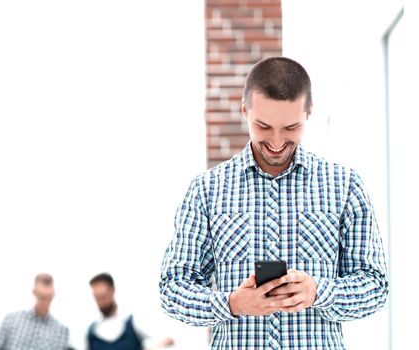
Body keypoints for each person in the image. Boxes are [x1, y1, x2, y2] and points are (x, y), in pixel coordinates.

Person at [159, 56, 388, 349]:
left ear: (309, 114)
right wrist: (231, 304)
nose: (277, 142)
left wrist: (319, 292)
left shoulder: (344, 185)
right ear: (244, 111)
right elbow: (172, 288)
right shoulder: (206, 190)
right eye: (263, 126)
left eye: (291, 127)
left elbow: (375, 286)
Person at [87, 272, 174, 350]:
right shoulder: (92, 332)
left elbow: (166, 340)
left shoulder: (134, 322)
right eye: (97, 298)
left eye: (103, 296)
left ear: (112, 290)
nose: (101, 302)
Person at [0, 273, 69, 350]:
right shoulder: (11, 320)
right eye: (41, 296)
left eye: (47, 297)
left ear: (53, 294)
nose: (44, 301)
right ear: (34, 292)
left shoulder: (61, 331)